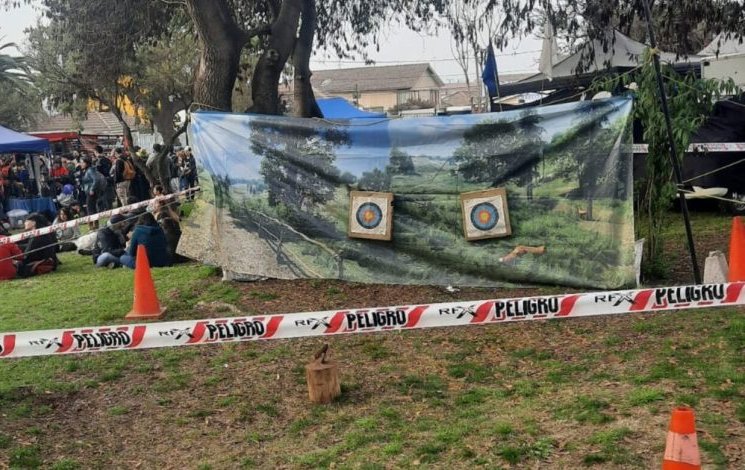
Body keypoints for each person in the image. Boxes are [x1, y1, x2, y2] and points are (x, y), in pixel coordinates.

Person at [16, 213, 59, 277]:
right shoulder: (43, 232)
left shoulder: (37, 237)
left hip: (41, 263)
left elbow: (26, 257)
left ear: (34, 223)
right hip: (50, 260)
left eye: (27, 221)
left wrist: (15, 261)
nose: (24, 223)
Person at [80, 157, 104, 230]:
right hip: (89, 191)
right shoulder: (87, 170)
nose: (81, 164)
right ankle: (94, 225)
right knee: (92, 208)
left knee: (90, 209)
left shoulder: (90, 170)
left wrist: (92, 189)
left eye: (82, 162)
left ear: (86, 163)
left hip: (91, 192)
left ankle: (92, 226)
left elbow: (96, 179)